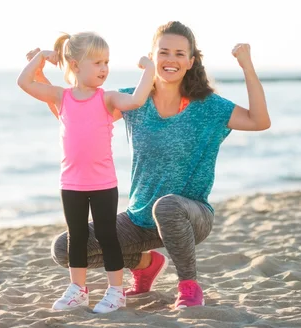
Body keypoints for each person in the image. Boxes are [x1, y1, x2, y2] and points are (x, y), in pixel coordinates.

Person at [32, 21, 271, 310]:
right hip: (140, 219)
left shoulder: (209, 107)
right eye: (164, 52)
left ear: (191, 61)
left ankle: (189, 285)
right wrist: (39, 74)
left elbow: (260, 121)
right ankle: (145, 264)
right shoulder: (136, 100)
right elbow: (70, 111)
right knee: (65, 248)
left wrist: (246, 66)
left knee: (167, 206)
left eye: (180, 54)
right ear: (152, 56)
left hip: (190, 214)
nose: (171, 59)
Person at [17, 31, 156, 313]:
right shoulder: (61, 97)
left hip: (103, 184)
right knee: (76, 236)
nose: (104, 68)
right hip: (71, 183)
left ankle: (116, 291)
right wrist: (42, 57)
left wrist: (150, 68)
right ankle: (77, 289)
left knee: (107, 236)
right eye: (97, 63)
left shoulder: (108, 99)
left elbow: (138, 100)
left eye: (107, 62)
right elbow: (24, 82)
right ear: (75, 64)